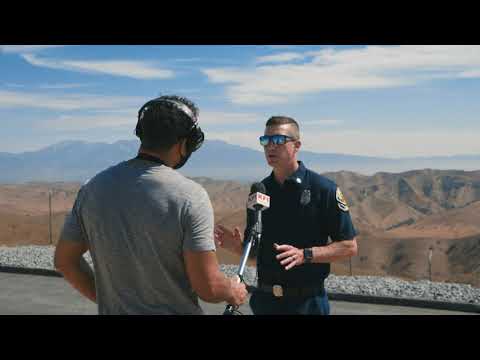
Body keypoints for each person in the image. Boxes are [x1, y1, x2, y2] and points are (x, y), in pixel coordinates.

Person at [54, 95, 247, 315]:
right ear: (186, 142)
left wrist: (112, 301)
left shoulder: (92, 188)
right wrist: (233, 290)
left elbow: (64, 260)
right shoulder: (191, 197)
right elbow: (209, 287)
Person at [214, 116, 358, 315]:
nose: (270, 147)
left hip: (307, 304)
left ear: (296, 145)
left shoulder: (323, 190)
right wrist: (238, 247)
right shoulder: (260, 192)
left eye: (279, 140)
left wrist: (304, 255)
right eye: (265, 141)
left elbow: (348, 247)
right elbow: (259, 254)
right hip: (265, 303)